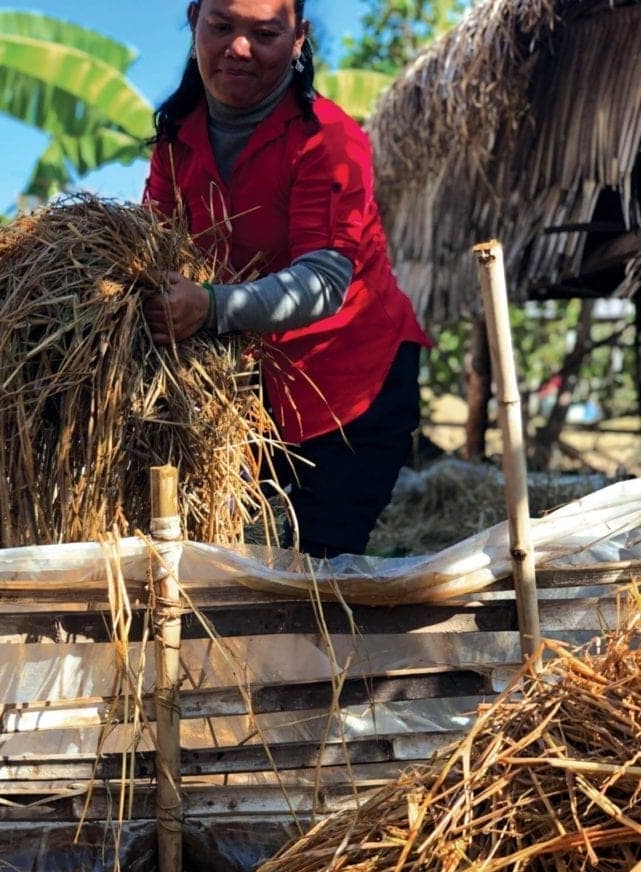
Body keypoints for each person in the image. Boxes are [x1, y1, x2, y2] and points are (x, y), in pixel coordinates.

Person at [143, 0, 431, 558]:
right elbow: (156, 250)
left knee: (321, 569)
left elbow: (323, 281)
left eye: (265, 33)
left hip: (352, 388)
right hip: (247, 391)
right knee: (211, 560)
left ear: (299, 39)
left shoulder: (329, 140)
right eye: (221, 27)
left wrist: (207, 307)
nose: (238, 48)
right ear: (194, 19)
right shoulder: (177, 139)